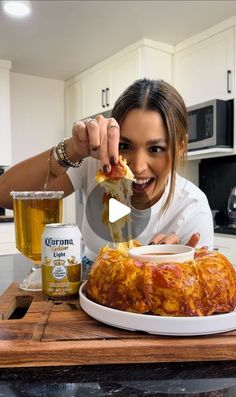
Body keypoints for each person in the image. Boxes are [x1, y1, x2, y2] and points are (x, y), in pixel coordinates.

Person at [0, 79, 214, 261]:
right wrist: (72, 149)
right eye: (124, 146)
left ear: (180, 147)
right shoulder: (95, 163)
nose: (138, 167)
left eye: (156, 148)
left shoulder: (193, 209)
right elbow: (5, 195)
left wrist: (178, 269)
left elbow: (203, 299)